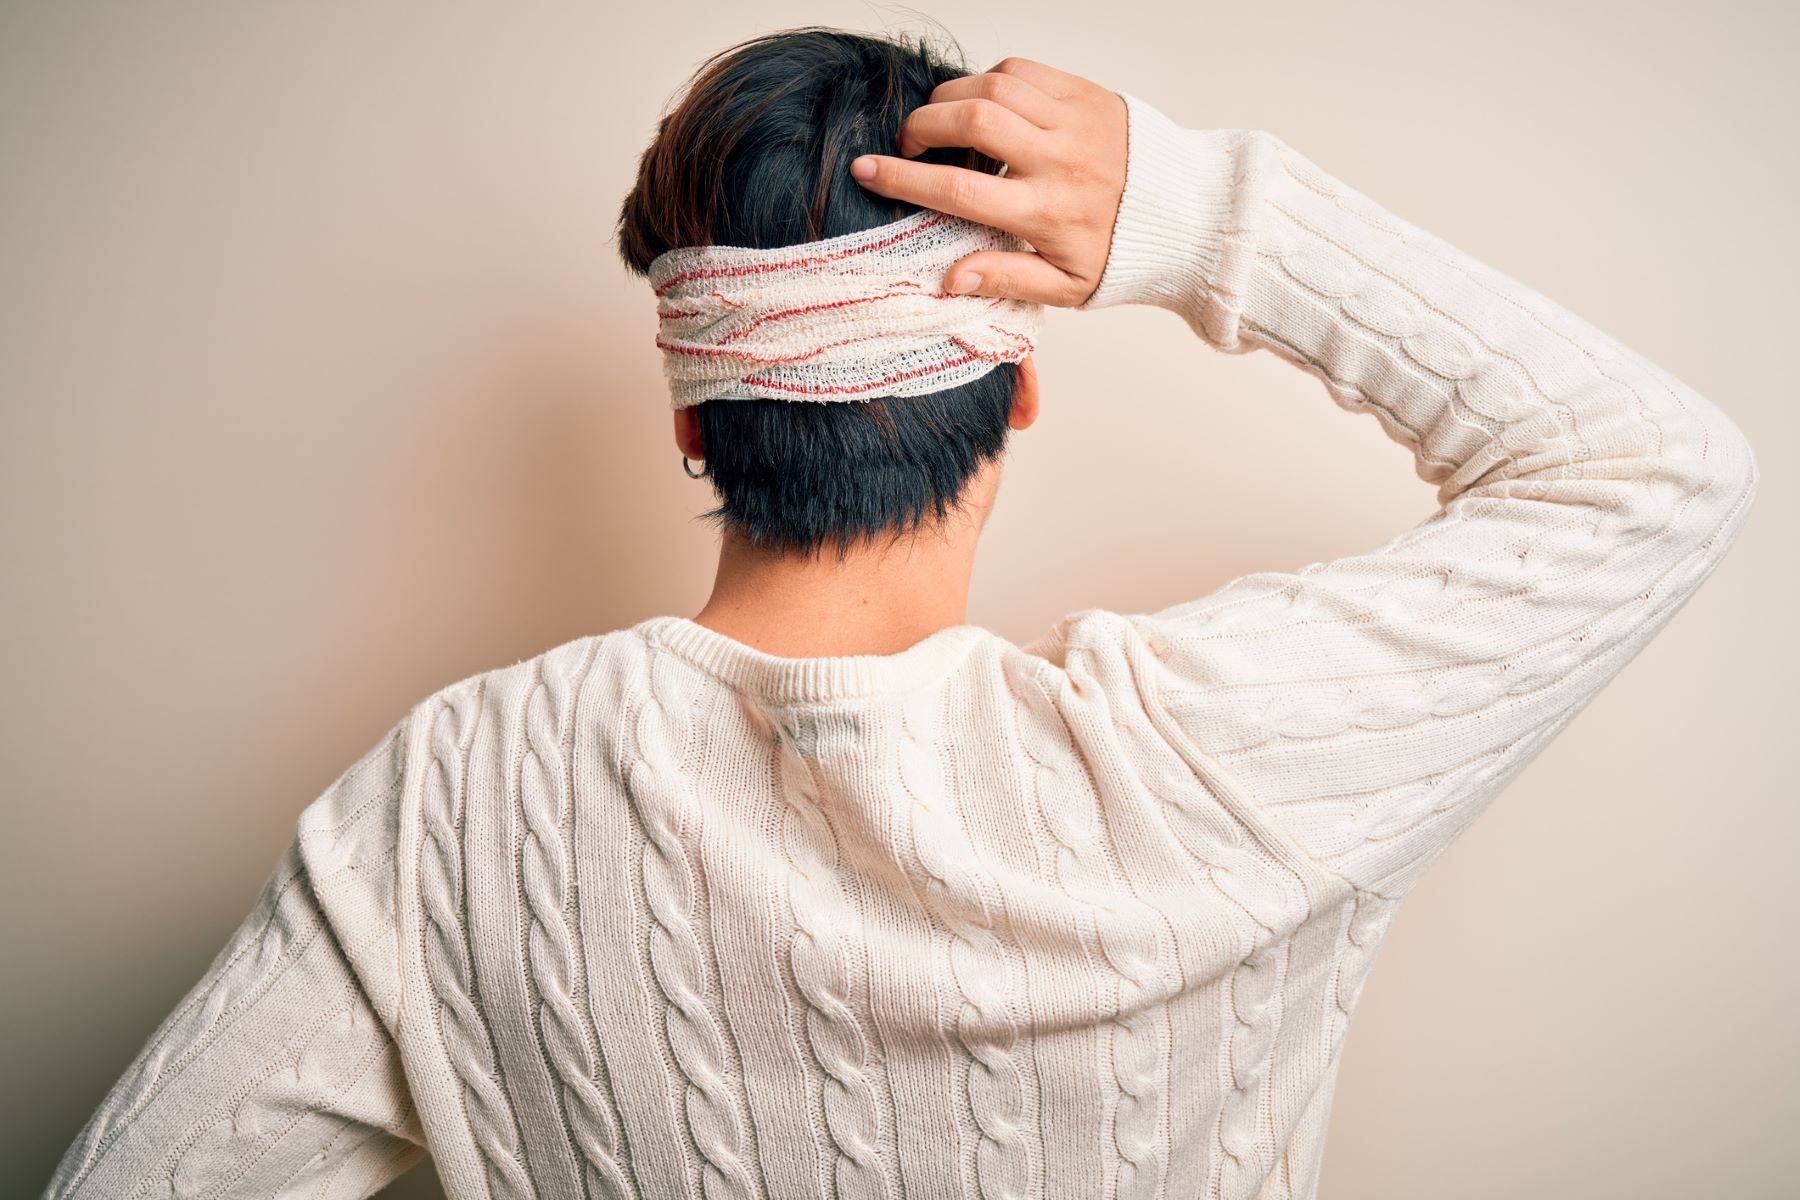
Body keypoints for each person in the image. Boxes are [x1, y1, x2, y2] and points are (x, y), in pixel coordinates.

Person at [43, 26, 1758, 1200]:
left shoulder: (457, 801)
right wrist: (1201, 216)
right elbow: (1657, 470)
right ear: (1014, 395)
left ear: (691, 426)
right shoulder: (1218, 765)